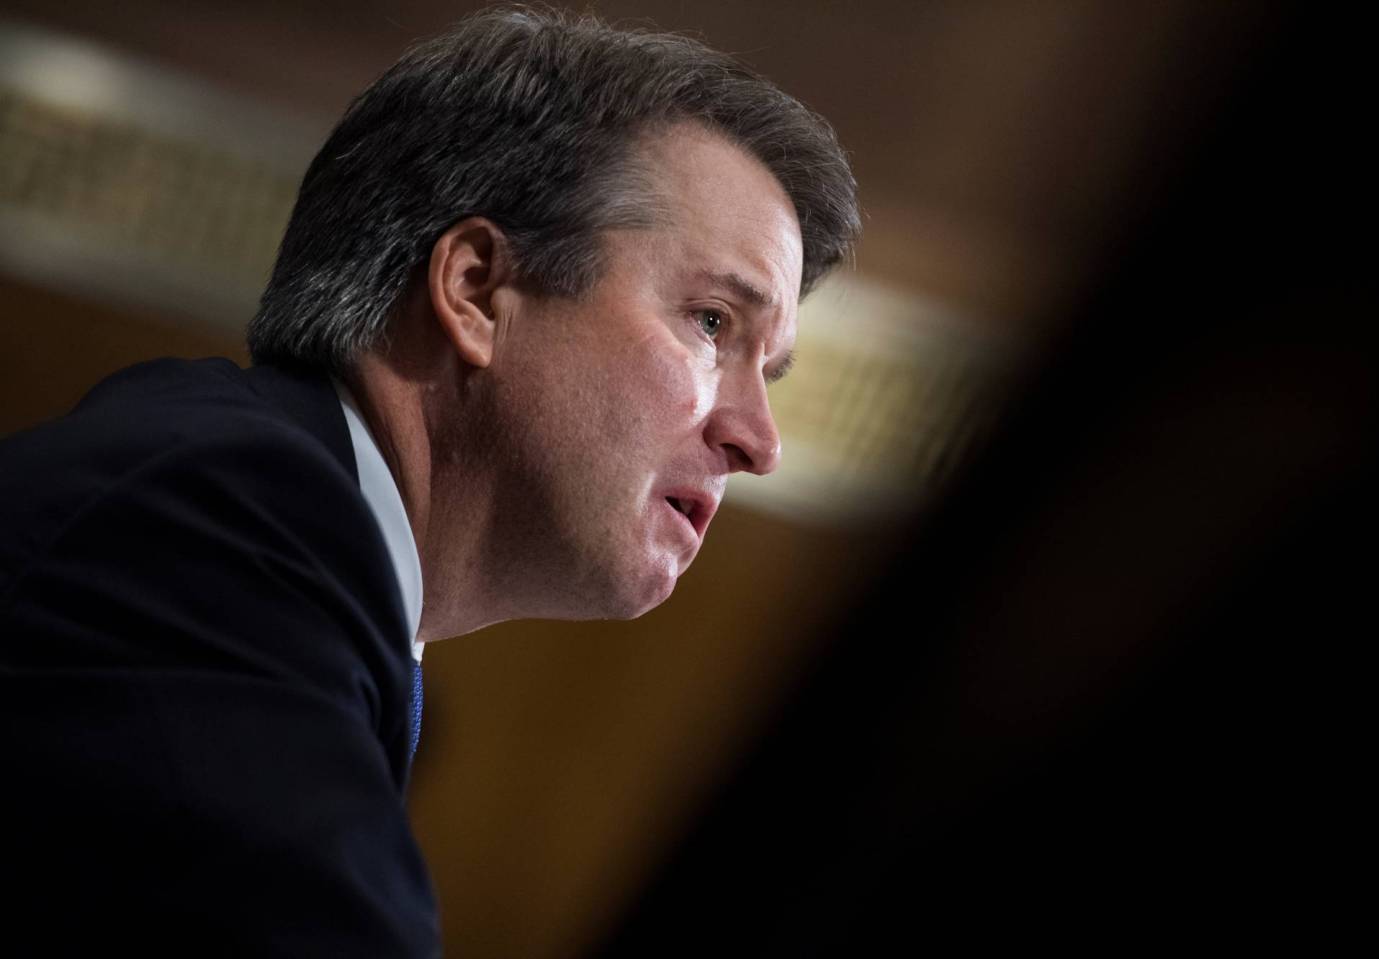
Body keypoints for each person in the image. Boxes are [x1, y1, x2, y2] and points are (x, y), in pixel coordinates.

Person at [0, 7, 858, 955]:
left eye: (766, 373)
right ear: (478, 290)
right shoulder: (209, 522)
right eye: (711, 324)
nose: (759, 442)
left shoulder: (291, 568)